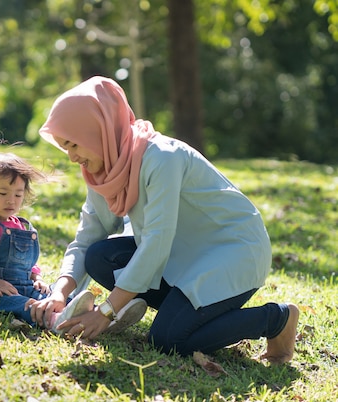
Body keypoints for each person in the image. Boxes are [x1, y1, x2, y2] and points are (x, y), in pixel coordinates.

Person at [27, 76, 299, 364]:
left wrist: (106, 310)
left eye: (73, 145)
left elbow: (157, 242)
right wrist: (60, 293)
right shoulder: (103, 170)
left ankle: (276, 319)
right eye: (65, 148)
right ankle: (172, 310)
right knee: (99, 257)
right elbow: (87, 236)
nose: (71, 157)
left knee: (168, 340)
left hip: (232, 252)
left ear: (96, 130)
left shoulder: (162, 157)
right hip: (180, 255)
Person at [0, 153, 94, 332]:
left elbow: (26, 262)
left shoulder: (21, 225)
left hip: (25, 285)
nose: (11, 200)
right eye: (3, 193)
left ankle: (94, 314)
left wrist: (36, 277)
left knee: (49, 295)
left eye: (18, 194)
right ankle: (53, 320)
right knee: (23, 304)